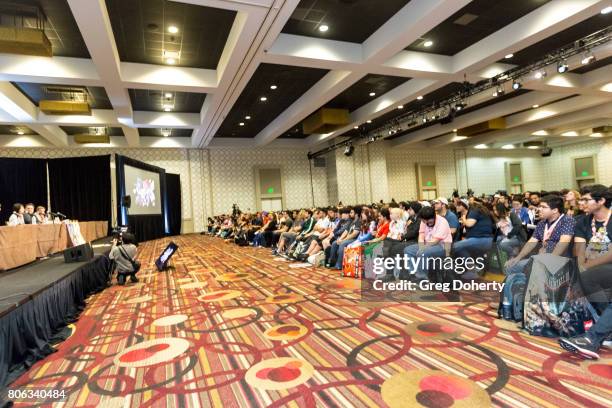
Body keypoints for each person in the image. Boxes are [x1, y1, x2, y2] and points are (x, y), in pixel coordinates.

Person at [558, 185, 612, 359]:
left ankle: (595, 336)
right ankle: (603, 331)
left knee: (588, 275)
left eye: (585, 199)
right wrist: (582, 265)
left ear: (601, 201)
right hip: (594, 267)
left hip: (604, 265)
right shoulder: (583, 221)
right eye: (581, 199)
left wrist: (588, 266)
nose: (581, 203)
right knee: (584, 275)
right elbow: (579, 248)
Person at [505, 195, 575, 276]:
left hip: (559, 261)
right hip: (541, 258)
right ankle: (522, 286)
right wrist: (518, 257)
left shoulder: (567, 221)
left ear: (555, 210)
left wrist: (548, 261)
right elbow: (531, 242)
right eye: (539, 206)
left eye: (543, 207)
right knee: (510, 266)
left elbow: (563, 242)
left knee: (534, 273)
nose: (539, 209)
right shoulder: (542, 223)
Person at [403, 206, 452, 281]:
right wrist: (421, 245)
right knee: (408, 250)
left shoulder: (442, 222)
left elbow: (435, 240)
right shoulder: (424, 221)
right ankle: (413, 273)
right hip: (428, 244)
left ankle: (422, 278)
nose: (426, 223)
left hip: (442, 246)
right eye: (424, 221)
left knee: (422, 253)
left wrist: (423, 248)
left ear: (434, 216)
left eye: (428, 221)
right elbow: (421, 234)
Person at [454, 201, 494, 278]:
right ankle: (473, 269)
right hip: (486, 240)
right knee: (460, 248)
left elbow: (469, 224)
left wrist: (464, 218)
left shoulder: (474, 210)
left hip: (480, 240)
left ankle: (472, 270)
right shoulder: (483, 212)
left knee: (455, 246)